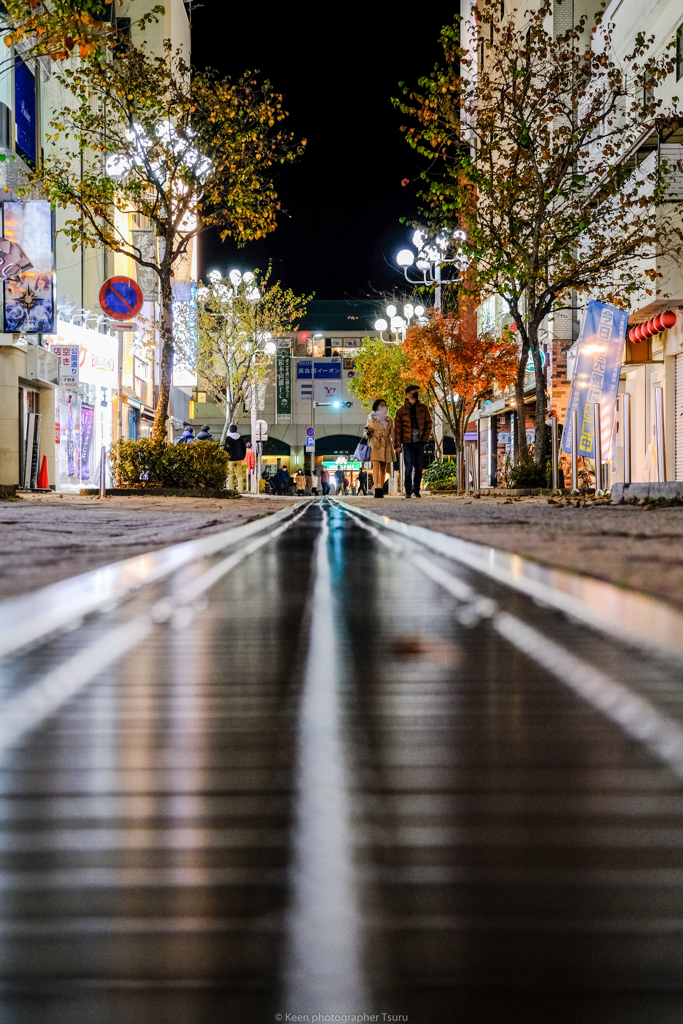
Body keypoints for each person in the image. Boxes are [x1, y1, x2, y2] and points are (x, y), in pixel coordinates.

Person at [394, 385, 433, 498]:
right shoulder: (401, 410)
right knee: (409, 467)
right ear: (407, 394)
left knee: (419, 467)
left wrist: (424, 439)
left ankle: (416, 490)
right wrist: (398, 445)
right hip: (407, 443)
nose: (415, 393)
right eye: (413, 392)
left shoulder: (423, 408)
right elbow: (397, 430)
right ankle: (408, 491)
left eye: (416, 391)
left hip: (420, 442)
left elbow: (428, 423)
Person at [366, 398, 396, 499]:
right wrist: (368, 432)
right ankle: (376, 489)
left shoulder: (389, 419)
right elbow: (365, 433)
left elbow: (393, 433)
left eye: (385, 405)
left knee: (383, 467)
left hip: (386, 443)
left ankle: (381, 488)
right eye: (381, 405)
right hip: (374, 443)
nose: (384, 407)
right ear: (376, 406)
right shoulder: (370, 418)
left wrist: (396, 444)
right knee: (376, 466)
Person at [224, 423, 246, 492]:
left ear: (230, 430)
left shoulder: (228, 438)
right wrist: (242, 457)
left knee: (230, 475)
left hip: (230, 460)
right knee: (239, 475)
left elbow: (226, 448)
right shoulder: (240, 438)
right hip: (239, 459)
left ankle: (231, 489)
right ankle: (240, 490)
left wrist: (226, 456)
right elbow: (244, 448)